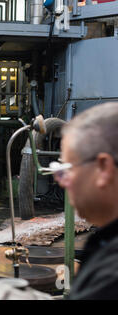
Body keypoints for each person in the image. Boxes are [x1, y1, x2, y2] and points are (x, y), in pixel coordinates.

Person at [51, 102, 118, 299]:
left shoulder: (111, 274)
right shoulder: (107, 243)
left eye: (66, 170)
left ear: (103, 168)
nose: (62, 182)